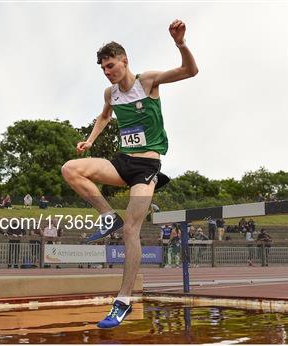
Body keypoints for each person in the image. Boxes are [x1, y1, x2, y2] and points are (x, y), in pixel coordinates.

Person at [61, 19, 198, 328]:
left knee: (130, 231)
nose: (108, 72)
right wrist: (91, 140)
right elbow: (105, 116)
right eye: (104, 69)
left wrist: (180, 43)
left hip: (147, 169)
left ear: (125, 61)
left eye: (111, 65)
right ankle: (108, 214)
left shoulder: (147, 81)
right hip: (122, 162)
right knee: (71, 169)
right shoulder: (110, 93)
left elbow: (190, 71)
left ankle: (122, 300)